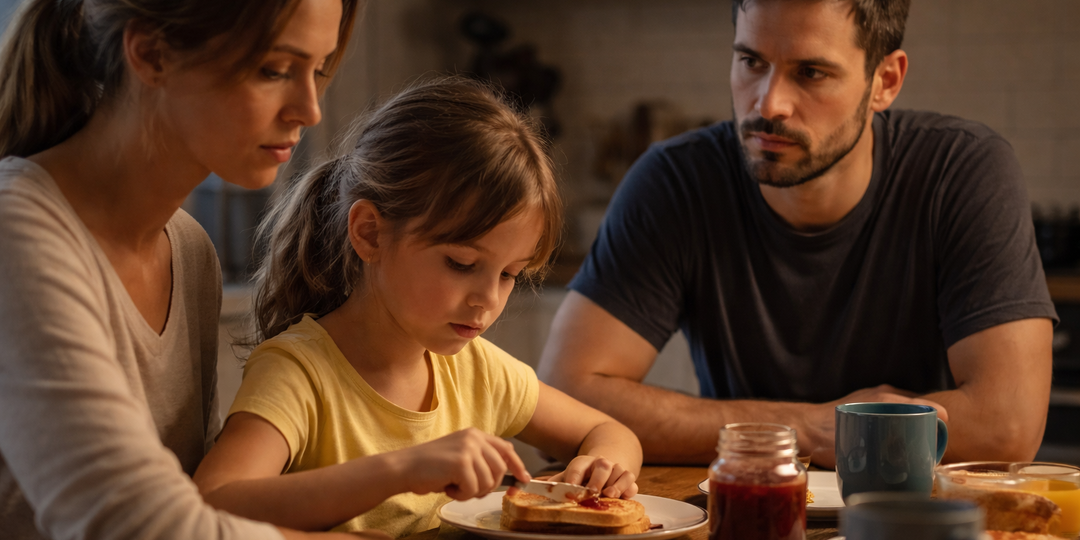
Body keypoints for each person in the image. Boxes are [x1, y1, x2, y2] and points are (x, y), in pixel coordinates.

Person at [538, 0, 1057, 469]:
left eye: (811, 72)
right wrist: (808, 428)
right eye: (752, 62)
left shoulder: (962, 171)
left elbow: (1007, 426)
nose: (769, 106)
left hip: (909, 513)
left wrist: (776, 429)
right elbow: (563, 403)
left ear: (885, 81)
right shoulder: (676, 181)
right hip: (742, 504)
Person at [191, 78, 644, 538]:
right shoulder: (299, 373)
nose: (488, 299)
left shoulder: (478, 372)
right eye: (461, 263)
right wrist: (401, 468)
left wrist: (602, 469)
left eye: (510, 274)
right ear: (370, 234)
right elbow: (213, 503)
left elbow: (610, 432)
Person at [0, 1, 376, 539]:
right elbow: (132, 524)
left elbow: (196, 506)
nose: (309, 110)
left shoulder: (189, 250)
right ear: (152, 55)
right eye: (274, 70)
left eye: (317, 69)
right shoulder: (17, 233)